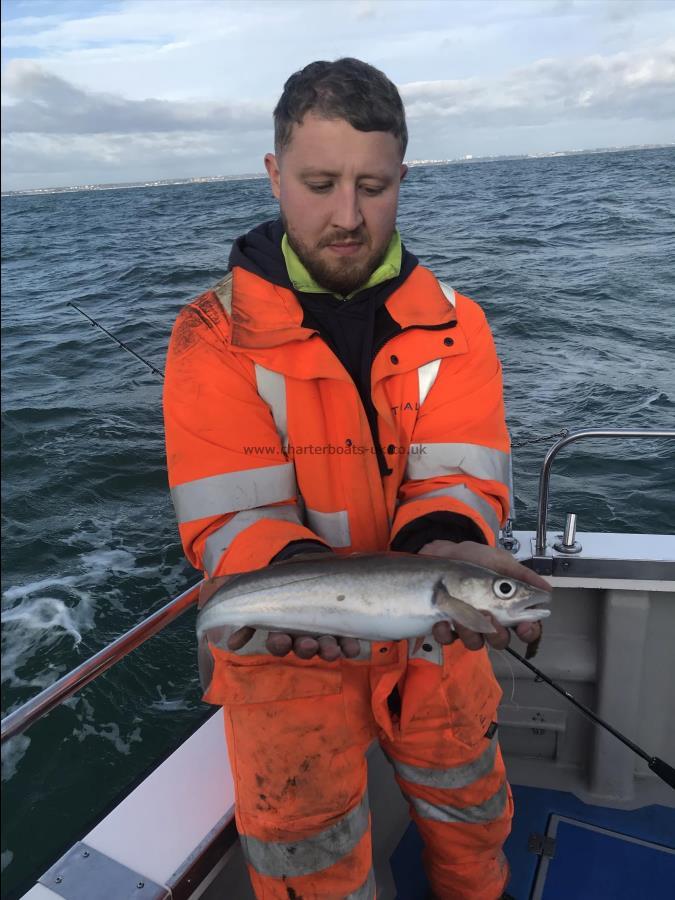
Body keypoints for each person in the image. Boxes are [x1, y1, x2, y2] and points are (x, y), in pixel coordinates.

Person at [163, 58, 549, 900]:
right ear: (273, 175)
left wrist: (441, 541)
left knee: (474, 826)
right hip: (285, 660)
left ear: (402, 178)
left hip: (439, 652)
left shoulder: (457, 323)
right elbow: (230, 517)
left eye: (372, 185)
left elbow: (462, 475)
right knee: (314, 875)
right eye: (319, 182)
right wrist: (295, 582)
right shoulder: (208, 334)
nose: (348, 215)